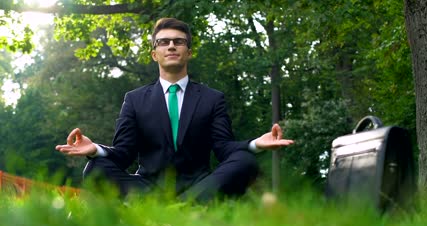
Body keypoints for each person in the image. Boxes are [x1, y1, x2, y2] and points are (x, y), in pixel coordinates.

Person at [56, 18, 294, 202]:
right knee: (96, 167)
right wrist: (95, 149)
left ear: (188, 52)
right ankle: (185, 209)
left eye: (178, 42)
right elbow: (123, 154)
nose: (171, 46)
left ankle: (183, 207)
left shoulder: (212, 98)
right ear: (154, 54)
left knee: (245, 160)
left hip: (199, 185)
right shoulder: (134, 99)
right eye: (164, 42)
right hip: (148, 187)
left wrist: (255, 144)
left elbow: (224, 149)